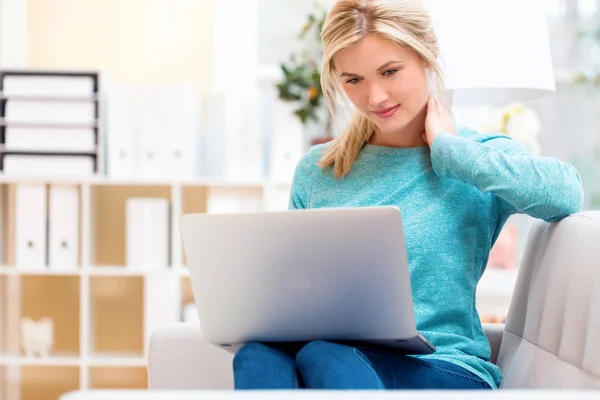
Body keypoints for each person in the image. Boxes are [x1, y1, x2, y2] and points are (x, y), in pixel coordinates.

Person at [233, 0, 584, 390]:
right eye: (354, 80)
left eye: (389, 71)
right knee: (258, 355)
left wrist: (450, 151)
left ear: (426, 57)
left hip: (443, 367)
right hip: (337, 357)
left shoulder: (472, 156)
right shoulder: (319, 171)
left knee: (323, 355)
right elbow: (299, 288)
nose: (375, 97)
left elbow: (565, 192)